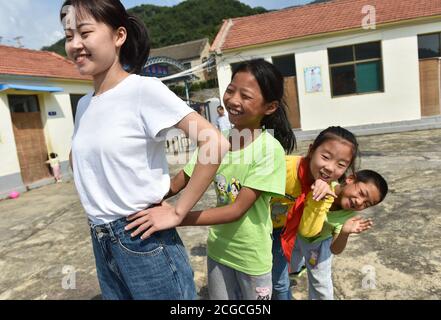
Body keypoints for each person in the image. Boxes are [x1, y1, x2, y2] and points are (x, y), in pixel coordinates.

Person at [62, 0, 229, 300]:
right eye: (68, 35)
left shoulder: (143, 91)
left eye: (84, 32)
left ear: (119, 36)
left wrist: (178, 211)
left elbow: (215, 142)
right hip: (101, 240)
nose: (75, 44)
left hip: (142, 242)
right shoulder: (84, 105)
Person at [127, 59, 297, 300]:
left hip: (251, 258)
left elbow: (236, 210)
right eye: (230, 90)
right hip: (218, 250)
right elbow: (180, 180)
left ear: (269, 107)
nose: (233, 100)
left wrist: (176, 217)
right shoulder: (216, 140)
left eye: (246, 96)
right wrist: (141, 198)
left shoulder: (269, 150)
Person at [271, 126, 359, 300]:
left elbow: (307, 231)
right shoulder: (284, 166)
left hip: (283, 232)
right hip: (258, 226)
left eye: (341, 165)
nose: (330, 168)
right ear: (311, 150)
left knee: (280, 282)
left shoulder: (328, 192)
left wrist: (317, 199)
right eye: (325, 157)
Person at [290, 169, 388, 300]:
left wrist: (344, 233)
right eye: (361, 193)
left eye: (366, 204)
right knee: (289, 266)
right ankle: (290, 279)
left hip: (319, 244)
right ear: (351, 179)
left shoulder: (347, 217)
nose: (359, 202)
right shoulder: (324, 184)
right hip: (296, 234)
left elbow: (335, 249)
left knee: (321, 283)